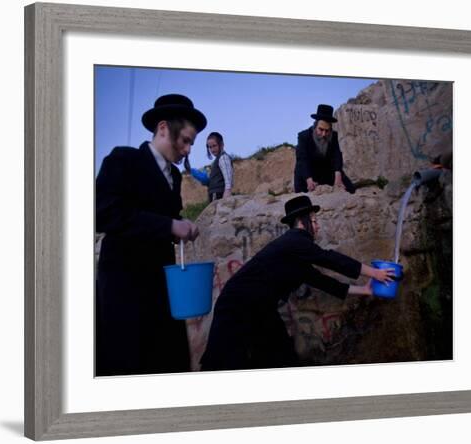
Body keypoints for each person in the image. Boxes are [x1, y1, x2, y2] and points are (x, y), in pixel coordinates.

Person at [200, 195, 394, 371]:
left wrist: (365, 289)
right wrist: (375, 272)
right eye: (315, 221)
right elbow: (330, 259)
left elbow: (322, 281)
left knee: (281, 356)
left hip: (260, 308)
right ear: (302, 222)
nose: (317, 226)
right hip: (236, 306)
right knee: (223, 364)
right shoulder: (295, 241)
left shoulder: (295, 254)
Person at [95, 94, 206, 376]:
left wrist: (182, 226)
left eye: (191, 143)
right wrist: (169, 226)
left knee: (170, 363)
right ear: (163, 128)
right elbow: (103, 213)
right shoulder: (124, 160)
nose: (187, 150)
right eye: (185, 140)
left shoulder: (176, 177)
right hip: (125, 289)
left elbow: (167, 218)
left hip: (162, 286)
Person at [294, 104, 356, 194]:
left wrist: (338, 176)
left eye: (327, 131)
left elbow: (337, 155)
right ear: (315, 126)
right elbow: (302, 159)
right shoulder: (303, 136)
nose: (323, 134)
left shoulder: (333, 136)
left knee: (351, 190)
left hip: (326, 171)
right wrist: (309, 180)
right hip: (307, 172)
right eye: (321, 129)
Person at [185, 132, 234, 202]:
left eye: (214, 146)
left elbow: (228, 178)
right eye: (210, 147)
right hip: (215, 193)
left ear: (222, 144)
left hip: (219, 193)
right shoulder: (217, 160)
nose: (212, 150)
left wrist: (227, 192)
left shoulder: (223, 158)